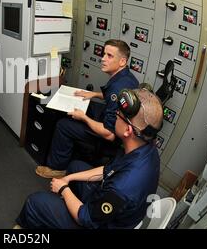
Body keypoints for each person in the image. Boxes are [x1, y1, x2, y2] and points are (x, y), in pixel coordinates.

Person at [16, 88, 163, 229]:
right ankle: (64, 208)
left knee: (34, 202)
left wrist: (63, 189)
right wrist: (68, 179)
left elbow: (85, 218)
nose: (116, 114)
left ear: (128, 130)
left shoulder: (122, 188)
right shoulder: (146, 149)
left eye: (118, 115)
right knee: (75, 167)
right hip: (112, 209)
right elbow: (108, 170)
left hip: (95, 222)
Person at [36, 39, 139, 179]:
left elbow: (109, 134)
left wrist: (83, 118)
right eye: (104, 54)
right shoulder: (127, 77)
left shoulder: (117, 87)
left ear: (122, 61)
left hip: (109, 135)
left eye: (109, 56)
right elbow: (115, 98)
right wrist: (94, 94)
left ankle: (57, 168)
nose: (103, 59)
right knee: (86, 105)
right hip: (115, 123)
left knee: (63, 125)